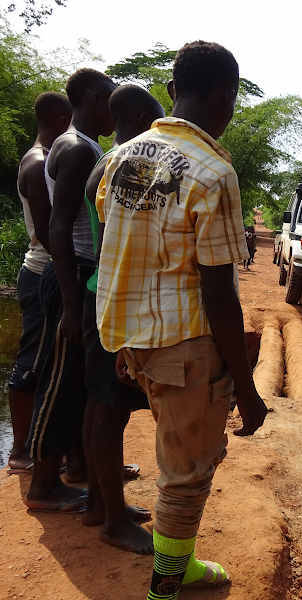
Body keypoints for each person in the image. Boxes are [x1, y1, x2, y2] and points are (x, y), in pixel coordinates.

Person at [95, 41, 268, 599]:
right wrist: (246, 386)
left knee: (177, 460)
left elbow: (120, 249)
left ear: (173, 91)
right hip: (187, 345)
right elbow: (219, 292)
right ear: (226, 98)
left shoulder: (119, 157)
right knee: (186, 475)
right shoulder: (214, 172)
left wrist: (125, 344)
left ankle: (180, 566)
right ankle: (166, 587)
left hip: (133, 340)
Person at [80, 84, 166, 554]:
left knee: (102, 408)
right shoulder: (120, 168)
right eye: (153, 119)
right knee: (107, 410)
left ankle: (102, 503)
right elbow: (126, 253)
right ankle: (113, 519)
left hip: (105, 299)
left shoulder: (105, 166)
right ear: (134, 116)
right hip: (111, 304)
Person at [26, 69, 116, 513]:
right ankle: (42, 482)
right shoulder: (78, 148)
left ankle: (75, 470)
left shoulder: (84, 145)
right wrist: (70, 301)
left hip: (78, 277)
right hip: (71, 278)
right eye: (109, 101)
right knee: (57, 384)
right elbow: (57, 228)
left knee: (75, 383)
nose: (113, 112)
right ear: (92, 99)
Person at [7, 92, 71, 474]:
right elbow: (51, 232)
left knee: (51, 364)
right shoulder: (38, 162)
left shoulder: (47, 160)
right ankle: (19, 450)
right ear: (61, 116)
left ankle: (53, 449)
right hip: (42, 272)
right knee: (31, 363)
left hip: (48, 271)